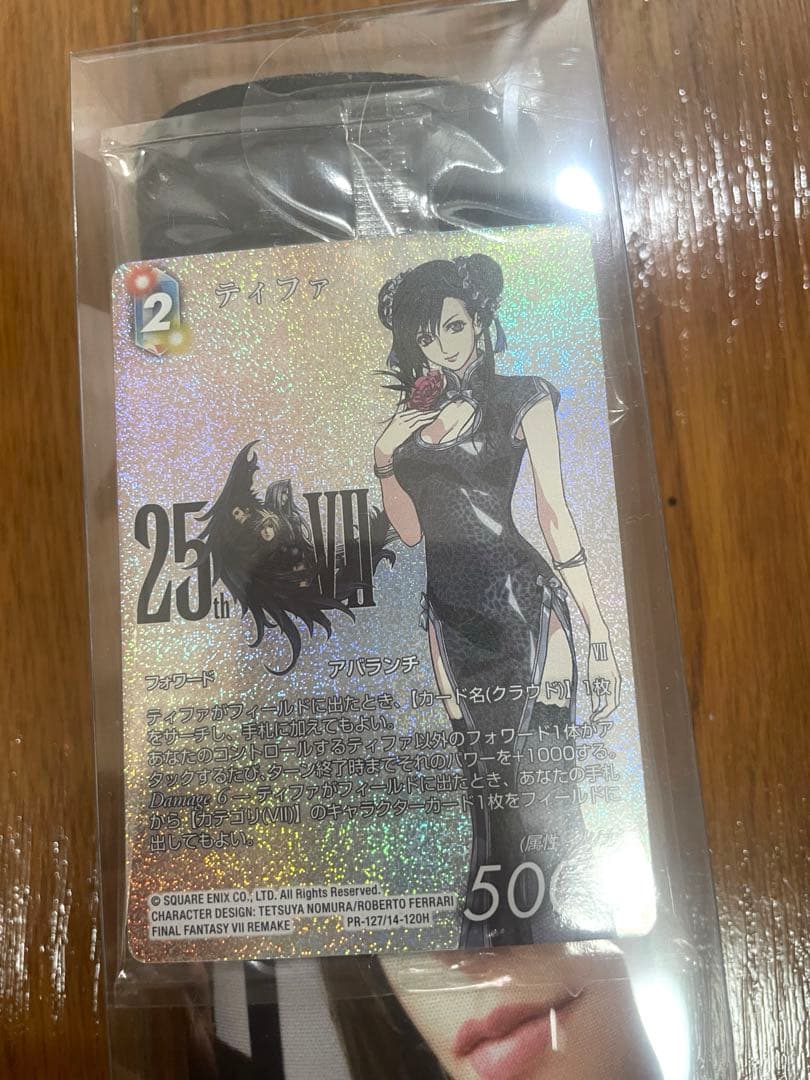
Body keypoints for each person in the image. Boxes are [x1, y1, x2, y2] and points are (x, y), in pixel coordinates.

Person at [373, 254, 621, 946]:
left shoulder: (523, 398)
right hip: (449, 617)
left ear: (479, 321)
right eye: (427, 336)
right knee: (484, 794)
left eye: (454, 327)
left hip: (521, 605)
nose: (443, 347)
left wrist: (599, 634)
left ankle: (571, 934)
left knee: (545, 785)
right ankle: (490, 949)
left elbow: (553, 512)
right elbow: (413, 530)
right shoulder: (412, 425)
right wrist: (384, 460)